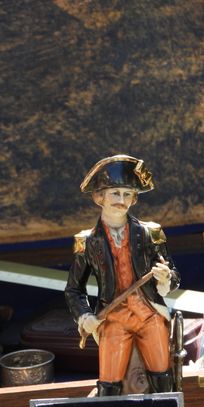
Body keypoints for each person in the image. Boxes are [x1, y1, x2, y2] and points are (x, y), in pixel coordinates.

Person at [65, 155, 180, 396]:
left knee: (162, 377)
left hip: (150, 316)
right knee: (109, 383)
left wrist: (165, 278)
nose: (121, 200)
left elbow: (173, 275)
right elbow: (74, 289)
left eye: (127, 194)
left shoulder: (151, 233)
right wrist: (84, 316)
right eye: (115, 193)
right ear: (99, 197)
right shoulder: (86, 242)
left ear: (134, 199)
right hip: (113, 320)